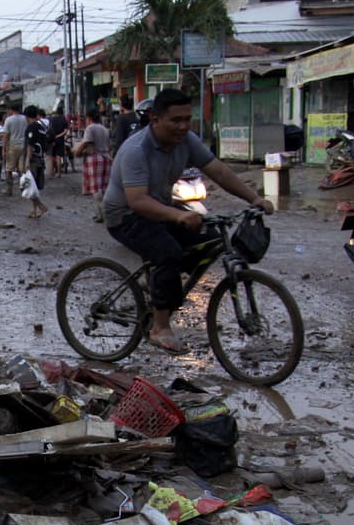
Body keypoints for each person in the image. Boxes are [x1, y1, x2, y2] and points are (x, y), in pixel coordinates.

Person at [102, 89, 275, 354]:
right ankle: (160, 327)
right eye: (175, 120)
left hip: (160, 205)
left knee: (207, 241)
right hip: (124, 214)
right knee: (167, 252)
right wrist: (180, 214)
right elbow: (138, 201)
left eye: (187, 119)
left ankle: (160, 285)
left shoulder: (187, 141)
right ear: (155, 119)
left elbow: (219, 171)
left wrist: (254, 199)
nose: (183, 126)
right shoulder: (136, 150)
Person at [75, 109, 111, 222]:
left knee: (96, 188)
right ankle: (102, 214)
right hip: (106, 158)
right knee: (104, 187)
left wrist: (77, 152)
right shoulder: (105, 129)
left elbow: (86, 142)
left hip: (95, 158)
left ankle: (104, 214)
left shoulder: (90, 128)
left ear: (89, 119)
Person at [23, 105, 48, 218]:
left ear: (27, 116)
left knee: (30, 186)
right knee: (34, 187)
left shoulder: (31, 127)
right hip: (41, 158)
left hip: (33, 159)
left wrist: (27, 161)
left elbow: (30, 145)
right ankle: (34, 210)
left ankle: (41, 207)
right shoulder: (41, 127)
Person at [1, 102, 29, 196]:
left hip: (12, 146)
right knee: (22, 169)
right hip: (24, 146)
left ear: (11, 110)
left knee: (9, 169)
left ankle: (9, 189)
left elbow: (5, 135)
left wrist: (3, 149)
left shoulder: (9, 120)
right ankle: (23, 187)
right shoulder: (25, 118)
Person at [47, 107, 69, 179]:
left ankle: (52, 172)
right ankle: (59, 173)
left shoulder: (52, 119)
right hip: (60, 140)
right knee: (58, 157)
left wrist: (54, 136)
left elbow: (49, 129)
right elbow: (65, 131)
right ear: (62, 112)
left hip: (52, 140)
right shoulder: (64, 120)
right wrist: (59, 136)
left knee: (53, 157)